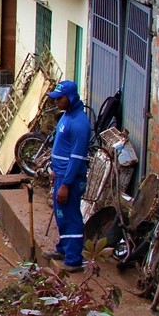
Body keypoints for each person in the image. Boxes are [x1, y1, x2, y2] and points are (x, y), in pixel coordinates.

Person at [47, 80, 92, 273]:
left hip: (70, 178)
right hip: (60, 174)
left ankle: (73, 259)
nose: (56, 102)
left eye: (60, 98)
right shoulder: (66, 116)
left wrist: (66, 183)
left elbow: (76, 157)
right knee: (62, 214)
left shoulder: (80, 124)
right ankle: (64, 249)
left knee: (71, 215)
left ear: (71, 98)